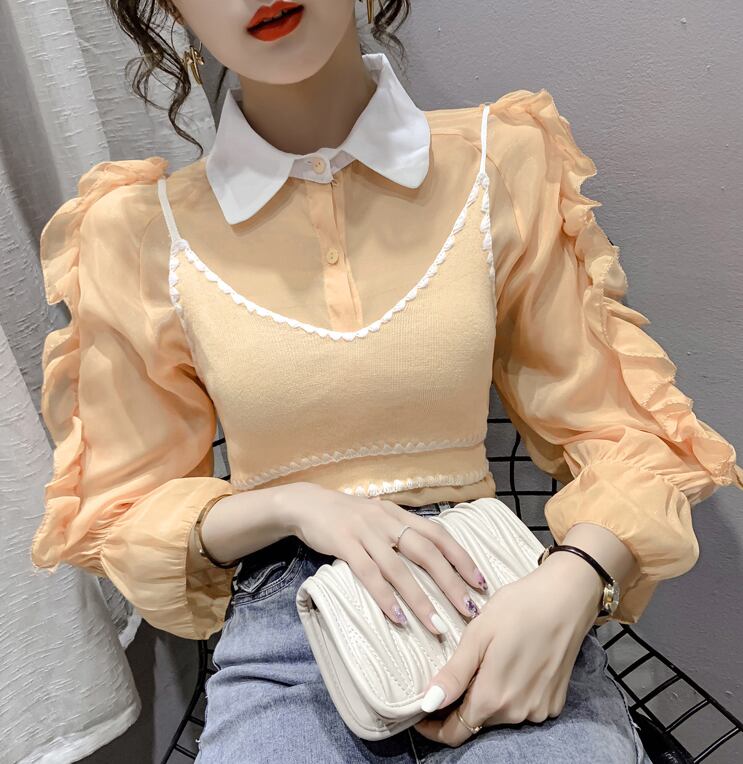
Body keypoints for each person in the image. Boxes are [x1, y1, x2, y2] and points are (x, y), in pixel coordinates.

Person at [30, 1, 743, 761]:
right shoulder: (139, 234)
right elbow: (127, 506)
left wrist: (578, 578)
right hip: (287, 630)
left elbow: (620, 428)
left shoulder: (497, 162)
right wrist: (292, 505)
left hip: (493, 601)